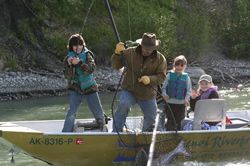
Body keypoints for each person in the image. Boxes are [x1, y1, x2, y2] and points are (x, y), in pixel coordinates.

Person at [111, 32, 167, 132]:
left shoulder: (160, 59)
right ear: (141, 45)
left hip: (148, 93)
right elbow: (116, 66)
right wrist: (117, 53)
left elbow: (162, 76)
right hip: (129, 90)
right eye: (145, 48)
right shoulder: (129, 52)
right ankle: (116, 133)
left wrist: (150, 79)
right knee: (123, 105)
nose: (148, 51)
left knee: (151, 116)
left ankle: (144, 135)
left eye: (150, 49)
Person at [62, 34, 105, 132]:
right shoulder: (68, 58)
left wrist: (80, 63)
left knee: (98, 112)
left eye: (80, 45)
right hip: (76, 88)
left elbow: (91, 69)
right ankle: (65, 133)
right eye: (75, 46)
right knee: (71, 112)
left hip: (90, 87)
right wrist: (69, 65)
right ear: (71, 47)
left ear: (83, 45)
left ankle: (102, 129)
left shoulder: (87, 55)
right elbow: (67, 76)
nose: (78, 47)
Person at [161, 55, 192, 131]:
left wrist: (186, 99)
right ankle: (168, 135)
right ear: (174, 65)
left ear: (185, 66)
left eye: (181, 65)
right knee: (170, 120)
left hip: (181, 104)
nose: (179, 67)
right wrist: (164, 95)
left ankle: (179, 136)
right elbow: (163, 88)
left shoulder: (186, 77)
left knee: (180, 121)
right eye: (177, 65)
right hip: (170, 103)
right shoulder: (169, 75)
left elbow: (189, 90)